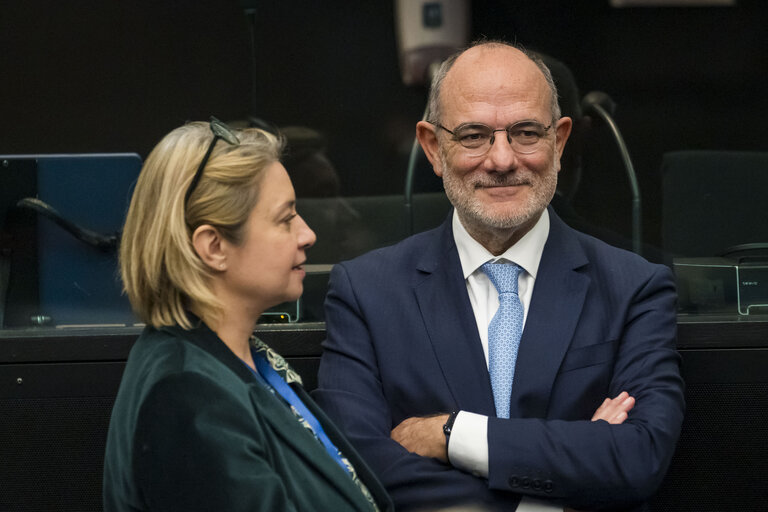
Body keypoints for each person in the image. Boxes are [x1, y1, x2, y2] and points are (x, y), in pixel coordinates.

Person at [313, 42, 684, 511]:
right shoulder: (367, 292)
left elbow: (638, 456)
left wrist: (452, 435)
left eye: (526, 132)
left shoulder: (634, 287)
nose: (503, 159)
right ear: (433, 147)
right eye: (473, 136)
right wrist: (559, 484)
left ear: (561, 140)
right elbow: (359, 464)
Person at [103, 118, 393, 512]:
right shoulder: (188, 400)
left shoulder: (239, 358)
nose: (307, 234)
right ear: (214, 246)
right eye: (285, 218)